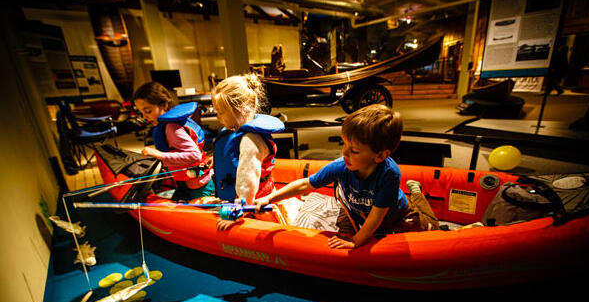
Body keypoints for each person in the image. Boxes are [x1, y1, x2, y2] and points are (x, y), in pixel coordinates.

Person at [255, 104, 439, 249]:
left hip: (393, 214)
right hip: (355, 210)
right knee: (341, 234)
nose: (345, 153)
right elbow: (305, 185)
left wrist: (356, 241)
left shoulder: (389, 174)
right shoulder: (342, 165)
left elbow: (376, 217)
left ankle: (416, 192)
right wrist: (269, 198)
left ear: (380, 156)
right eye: (344, 145)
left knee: (429, 230)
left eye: (354, 150)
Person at [211, 74, 285, 229]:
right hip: (252, 198)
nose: (217, 117)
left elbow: (248, 181)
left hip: (256, 207)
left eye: (221, 112)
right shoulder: (241, 133)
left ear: (241, 108)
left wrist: (238, 213)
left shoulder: (249, 140)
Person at [133, 81, 214, 201]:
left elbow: (194, 155)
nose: (145, 116)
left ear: (164, 105)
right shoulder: (169, 125)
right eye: (141, 112)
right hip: (186, 183)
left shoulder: (171, 127)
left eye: (148, 111)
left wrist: (161, 155)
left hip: (198, 185)